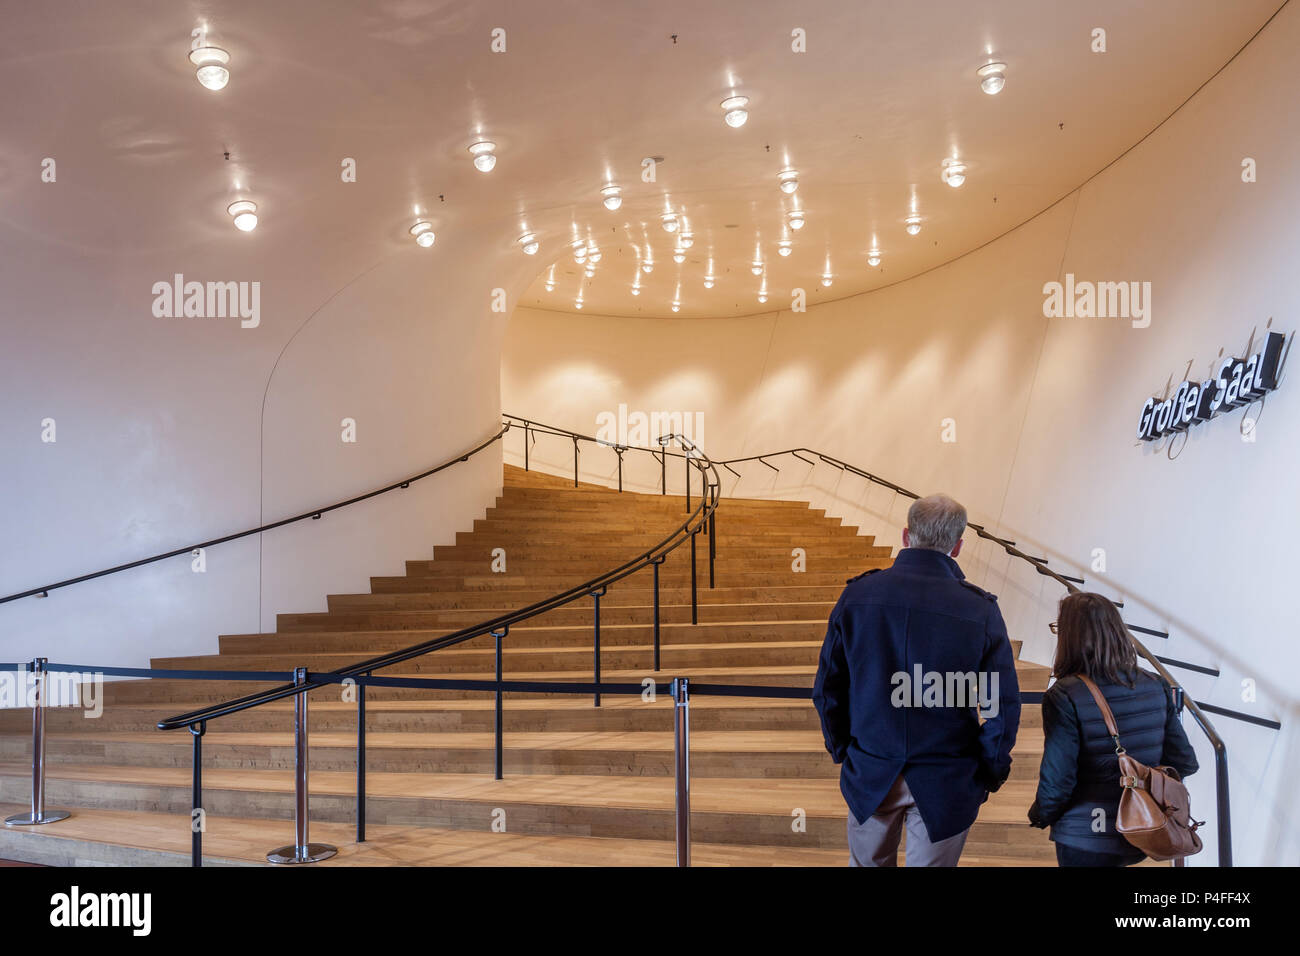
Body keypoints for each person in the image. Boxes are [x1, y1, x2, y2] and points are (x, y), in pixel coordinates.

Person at [813, 493, 1021, 867]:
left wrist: (844, 749)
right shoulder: (980, 609)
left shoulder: (857, 595)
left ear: (906, 536)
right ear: (957, 546)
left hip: (872, 765)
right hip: (948, 775)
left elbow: (827, 688)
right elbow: (1000, 708)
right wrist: (989, 770)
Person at [1028, 591, 1198, 866]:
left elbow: (1058, 781)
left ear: (1070, 637)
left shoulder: (1065, 694)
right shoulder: (1155, 684)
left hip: (1085, 833)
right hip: (1139, 829)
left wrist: (1040, 814)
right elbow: (1185, 762)